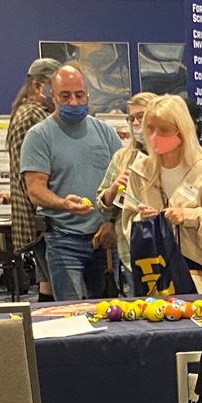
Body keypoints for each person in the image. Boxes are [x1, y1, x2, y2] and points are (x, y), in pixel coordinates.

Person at [121, 94, 202, 294]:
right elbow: (127, 221)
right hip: (153, 278)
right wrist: (141, 220)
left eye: (164, 130)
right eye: (150, 129)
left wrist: (190, 216)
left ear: (182, 130)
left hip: (197, 279)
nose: (154, 136)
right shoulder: (140, 171)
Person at [19, 64, 121, 301]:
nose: (74, 102)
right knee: (70, 313)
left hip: (103, 239)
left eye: (79, 95)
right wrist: (64, 204)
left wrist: (113, 223)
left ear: (88, 95)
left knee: (109, 312)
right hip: (63, 240)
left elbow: (124, 183)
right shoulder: (39, 136)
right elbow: (35, 191)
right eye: (65, 96)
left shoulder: (106, 133)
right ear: (52, 96)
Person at [7, 57, 60, 301]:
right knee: (60, 282)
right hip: (42, 214)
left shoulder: (21, 112)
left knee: (47, 281)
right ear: (39, 86)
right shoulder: (36, 116)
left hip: (30, 215)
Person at [95, 92, 157, 297]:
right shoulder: (122, 157)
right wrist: (113, 189)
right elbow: (102, 204)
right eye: (132, 118)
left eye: (141, 116)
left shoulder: (172, 154)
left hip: (170, 246)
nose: (136, 123)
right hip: (131, 250)